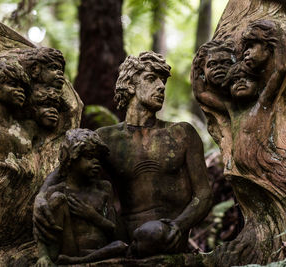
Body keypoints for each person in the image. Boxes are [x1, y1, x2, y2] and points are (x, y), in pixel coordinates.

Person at [33, 51, 213, 257]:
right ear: (130, 85)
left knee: (154, 233)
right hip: (124, 235)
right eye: (151, 79)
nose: (161, 86)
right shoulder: (107, 138)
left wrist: (179, 226)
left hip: (167, 235)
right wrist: (40, 198)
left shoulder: (181, 133)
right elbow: (66, 169)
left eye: (163, 81)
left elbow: (204, 195)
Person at [35, 129, 127, 266]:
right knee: (57, 198)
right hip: (69, 248)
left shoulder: (103, 188)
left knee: (121, 245)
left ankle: (80, 261)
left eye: (98, 158)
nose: (96, 162)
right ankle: (60, 257)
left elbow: (116, 232)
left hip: (101, 250)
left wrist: (92, 216)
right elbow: (43, 226)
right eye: (89, 157)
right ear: (71, 159)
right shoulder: (58, 190)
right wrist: (43, 256)